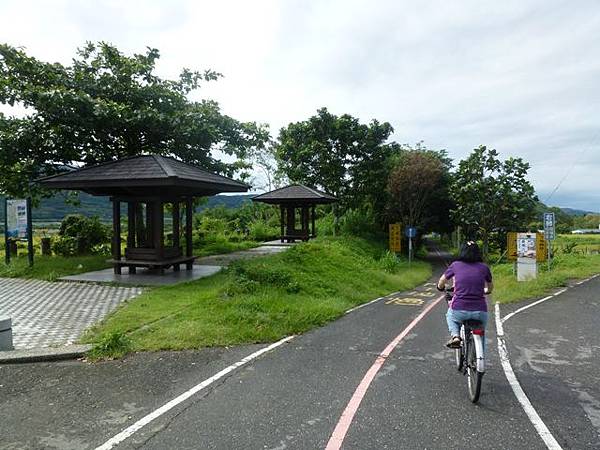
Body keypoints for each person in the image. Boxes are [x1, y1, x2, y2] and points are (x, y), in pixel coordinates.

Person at [437, 241, 493, 349]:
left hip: (459, 310)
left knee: (450, 315)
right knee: (481, 333)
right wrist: (486, 291)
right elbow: (490, 287)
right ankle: (479, 359)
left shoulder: (455, 265)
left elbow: (442, 281)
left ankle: (456, 337)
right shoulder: (484, 267)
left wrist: (440, 287)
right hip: (480, 311)